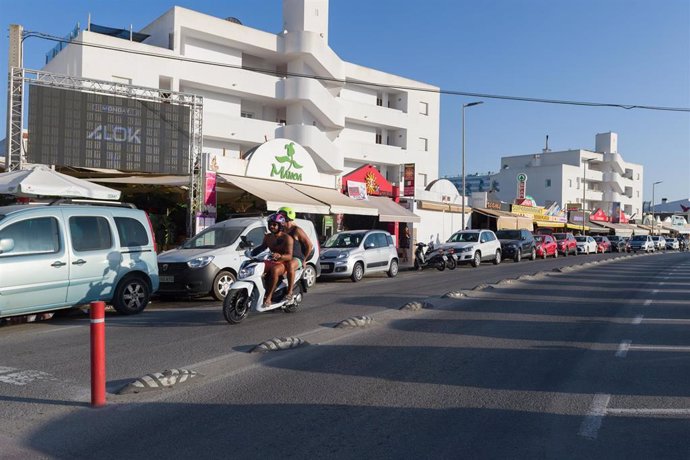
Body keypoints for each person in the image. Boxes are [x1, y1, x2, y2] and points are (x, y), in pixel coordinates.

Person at [255, 213, 293, 307]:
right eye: (270, 224)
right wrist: (251, 252)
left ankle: (269, 297)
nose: (272, 226)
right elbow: (262, 247)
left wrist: (280, 256)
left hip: (283, 262)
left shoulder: (287, 238)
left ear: (280, 225)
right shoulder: (268, 237)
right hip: (271, 260)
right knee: (256, 267)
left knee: (274, 270)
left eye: (274, 225)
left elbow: (289, 256)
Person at [278, 206, 314, 300]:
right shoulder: (281, 230)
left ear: (289, 217)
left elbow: (309, 245)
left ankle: (289, 292)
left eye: (282, 216)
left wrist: (304, 260)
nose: (280, 218)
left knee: (290, 265)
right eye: (280, 215)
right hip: (285, 256)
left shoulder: (297, 230)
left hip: (296, 257)